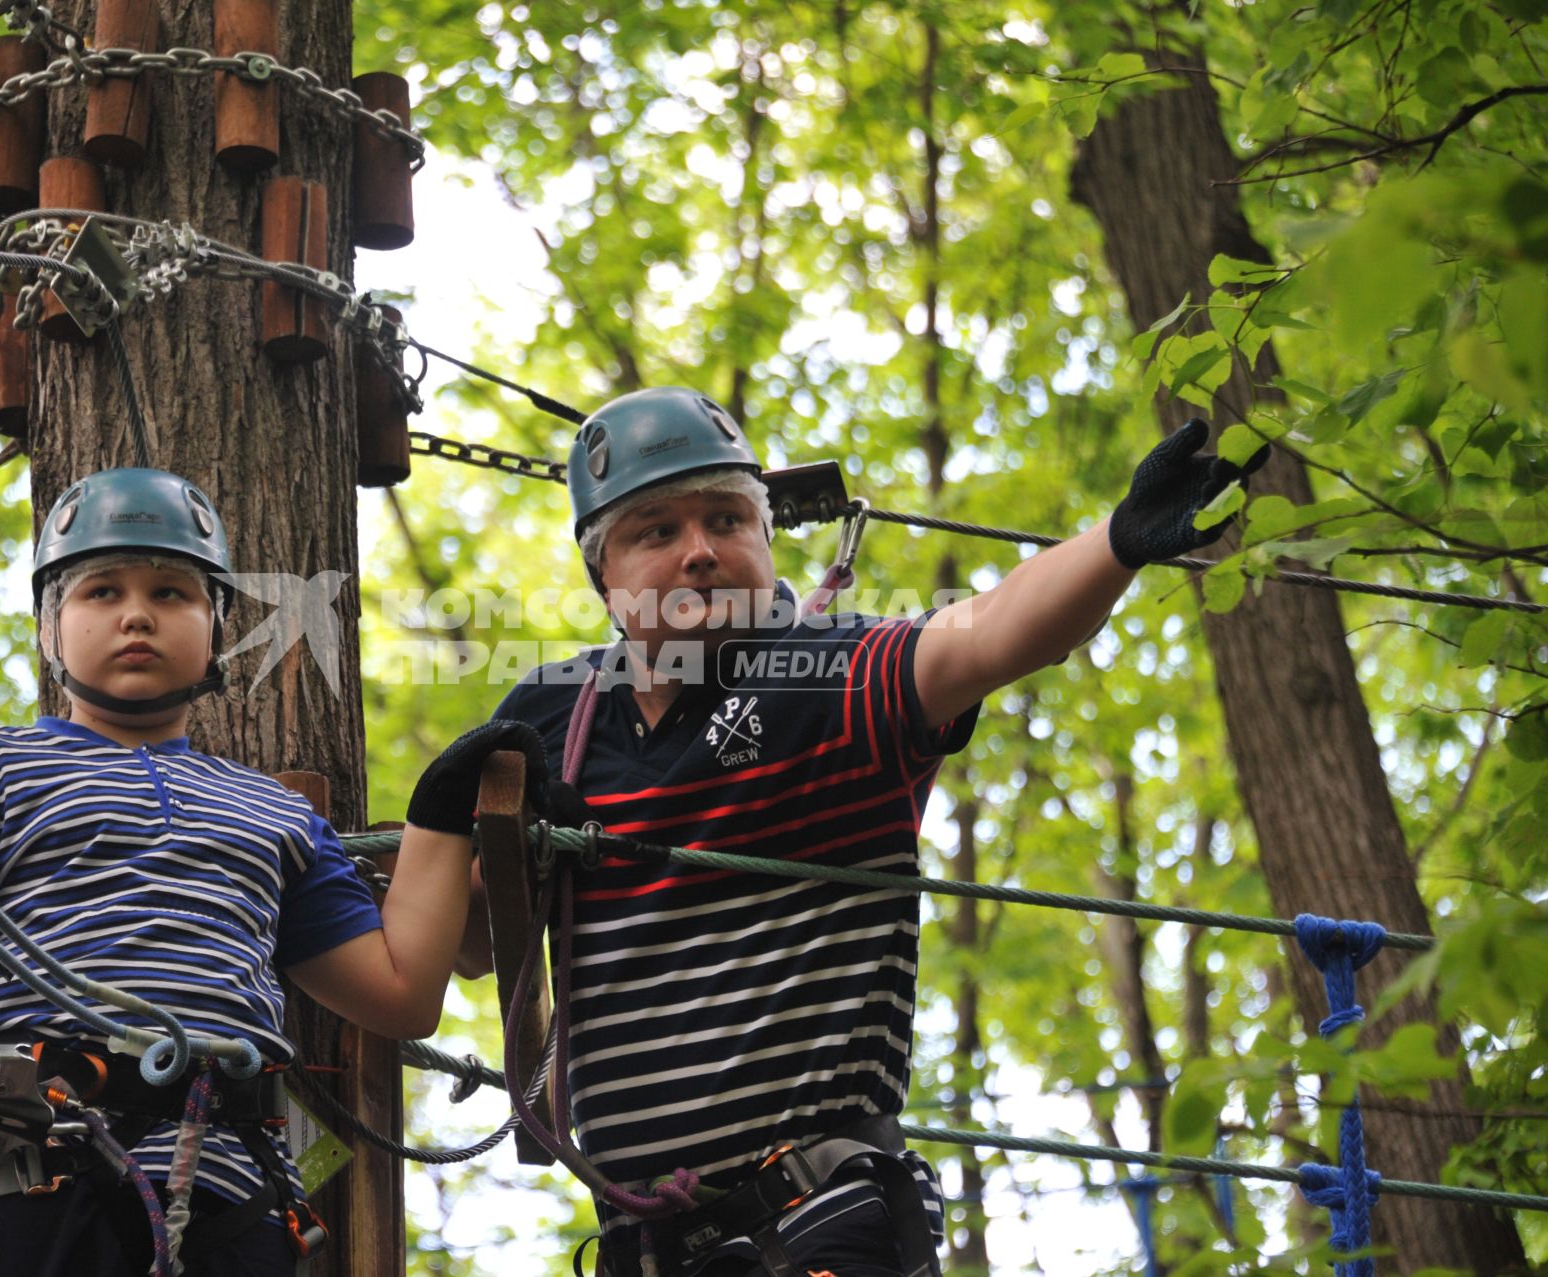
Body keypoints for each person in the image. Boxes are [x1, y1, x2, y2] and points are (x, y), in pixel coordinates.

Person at [468, 388, 1267, 1276]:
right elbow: (471, 946)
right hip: (645, 1249)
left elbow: (991, 634)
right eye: (657, 531)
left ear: (767, 544)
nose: (700, 551)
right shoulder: (544, 718)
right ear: (604, 576)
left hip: (821, 1225)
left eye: (728, 519)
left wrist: (1117, 544)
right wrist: (507, 859)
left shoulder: (834, 677)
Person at [0, 467, 546, 1277]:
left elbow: (399, 994)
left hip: (225, 1189)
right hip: (31, 1169)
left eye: (173, 593)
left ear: (215, 629)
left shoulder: (276, 816)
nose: (137, 612)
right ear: (49, 629)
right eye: (100, 591)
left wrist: (438, 810)